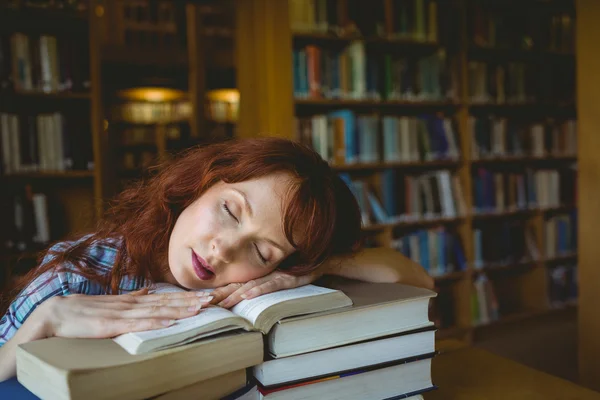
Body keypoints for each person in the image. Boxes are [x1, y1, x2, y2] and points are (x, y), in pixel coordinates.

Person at [0, 137, 433, 381]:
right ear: (200, 185)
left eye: (262, 251)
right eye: (229, 210)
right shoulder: (76, 276)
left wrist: (312, 268)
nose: (224, 249)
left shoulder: (262, 287)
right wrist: (44, 322)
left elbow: (415, 277)